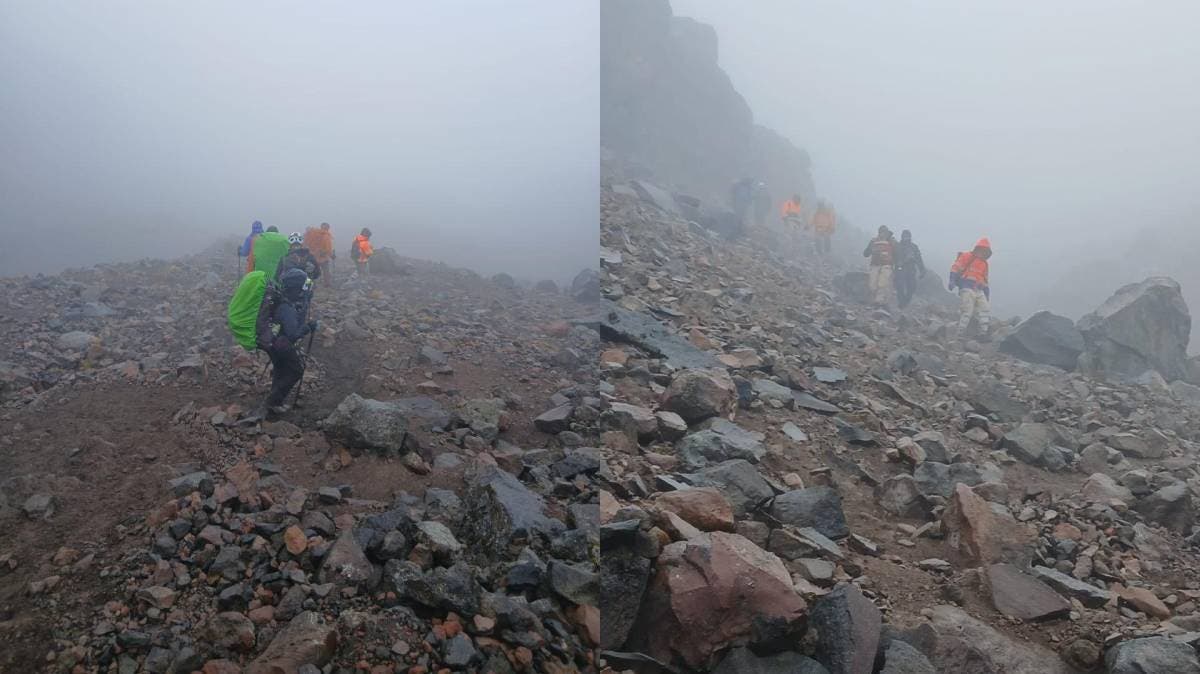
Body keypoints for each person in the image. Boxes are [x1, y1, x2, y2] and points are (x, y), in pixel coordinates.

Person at [263, 268, 319, 415]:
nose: (304, 290)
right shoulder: (287, 308)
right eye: (303, 287)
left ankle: (275, 402)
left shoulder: (283, 302)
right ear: (296, 288)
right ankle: (273, 401)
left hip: (273, 343)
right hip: (282, 345)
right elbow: (293, 334)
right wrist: (308, 327)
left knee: (280, 370)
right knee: (296, 371)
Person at [949, 237, 993, 339]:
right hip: (966, 287)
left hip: (979, 289)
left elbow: (985, 280)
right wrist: (952, 280)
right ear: (977, 248)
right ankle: (960, 334)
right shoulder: (967, 256)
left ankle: (983, 334)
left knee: (984, 309)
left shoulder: (984, 264)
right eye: (982, 249)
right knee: (967, 310)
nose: (983, 252)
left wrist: (986, 294)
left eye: (985, 251)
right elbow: (956, 268)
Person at [863, 226, 896, 307]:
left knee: (882, 283)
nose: (882, 234)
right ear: (879, 232)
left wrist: (896, 265)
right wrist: (871, 250)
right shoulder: (874, 241)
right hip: (875, 264)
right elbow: (866, 253)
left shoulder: (892, 241)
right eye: (881, 232)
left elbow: (897, 253)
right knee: (872, 284)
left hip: (887, 265)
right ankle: (875, 299)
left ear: (887, 233)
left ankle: (879, 301)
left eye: (884, 232)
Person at [893, 229, 927, 309]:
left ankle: (905, 301)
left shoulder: (914, 247)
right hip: (900, 269)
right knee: (899, 286)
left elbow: (919, 259)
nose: (906, 238)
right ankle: (901, 302)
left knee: (912, 287)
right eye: (904, 236)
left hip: (911, 269)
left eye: (907, 236)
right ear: (902, 236)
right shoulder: (897, 246)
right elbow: (893, 257)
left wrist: (922, 270)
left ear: (910, 237)